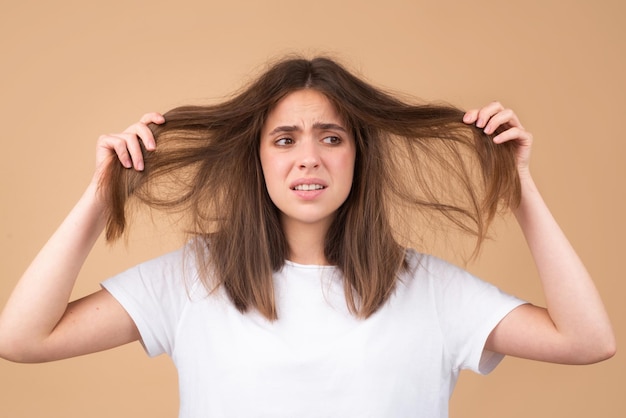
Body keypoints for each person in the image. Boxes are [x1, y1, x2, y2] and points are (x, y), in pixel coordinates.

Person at [0, 56, 616, 417]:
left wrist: (519, 189)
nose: (309, 159)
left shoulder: (430, 289)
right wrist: (101, 194)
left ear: (357, 156)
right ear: (259, 159)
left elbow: (588, 340)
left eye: (332, 136)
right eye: (285, 139)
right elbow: (22, 339)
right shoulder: (192, 278)